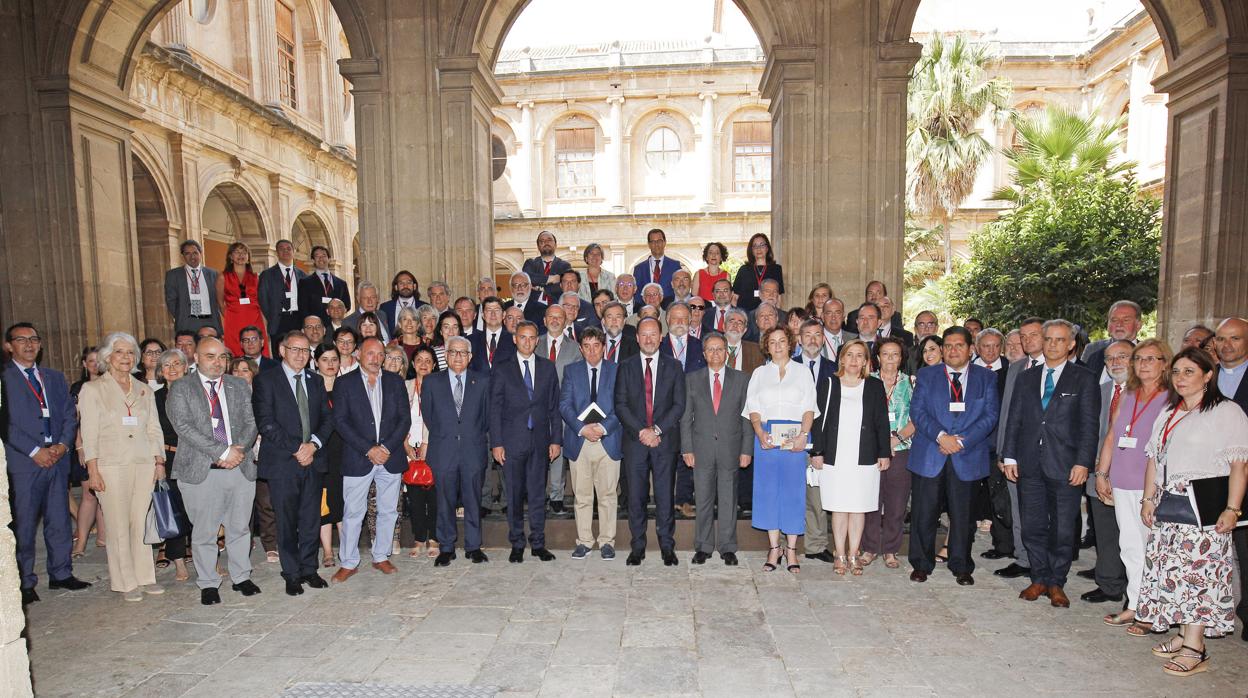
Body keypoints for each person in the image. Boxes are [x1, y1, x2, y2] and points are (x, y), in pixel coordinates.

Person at [1136, 347, 1248, 675]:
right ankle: (1184, 632)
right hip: (1169, 504)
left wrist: (1232, 508)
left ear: (1208, 375)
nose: (1180, 378)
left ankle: (1195, 647)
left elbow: (1239, 466)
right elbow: (1154, 459)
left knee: (1197, 578)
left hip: (1204, 508)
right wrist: (1147, 499)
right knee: (1172, 574)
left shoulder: (1226, 412)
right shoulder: (1169, 411)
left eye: (1189, 371)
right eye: (1177, 372)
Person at [1002, 319, 1101, 608]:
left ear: (1071, 344)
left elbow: (1088, 425)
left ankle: (1057, 581)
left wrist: (1083, 462)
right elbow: (1015, 420)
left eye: (1059, 340)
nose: (1052, 344)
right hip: (1029, 463)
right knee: (1032, 526)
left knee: (1062, 528)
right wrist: (1009, 456)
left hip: (1066, 465)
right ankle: (1039, 577)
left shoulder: (1083, 378)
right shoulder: (1026, 377)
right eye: (1048, 339)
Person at [166, 337, 260, 606]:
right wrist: (221, 452)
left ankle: (241, 576)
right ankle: (208, 582)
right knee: (205, 531)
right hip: (200, 470)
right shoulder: (182, 387)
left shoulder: (238, 385)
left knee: (240, 527)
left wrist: (237, 450)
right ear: (196, 357)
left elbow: (251, 421)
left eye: (222, 357)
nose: (217, 362)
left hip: (239, 466)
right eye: (210, 356)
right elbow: (183, 427)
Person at [3, 323, 90, 605]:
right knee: (25, 523)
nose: (29, 344)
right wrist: (34, 451)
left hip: (57, 458)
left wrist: (63, 445)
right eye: (21, 340)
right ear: (9, 346)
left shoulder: (53, 377)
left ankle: (61, 573)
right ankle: (24, 580)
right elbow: (5, 424)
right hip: (24, 463)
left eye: (34, 339)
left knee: (59, 519)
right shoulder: (3, 378)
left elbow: (68, 414)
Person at [907, 327, 999, 585]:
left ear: (971, 349)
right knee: (924, 513)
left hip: (967, 455)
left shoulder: (986, 378)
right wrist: (941, 437)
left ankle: (961, 565)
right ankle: (921, 564)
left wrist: (961, 441)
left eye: (959, 345)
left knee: (963, 515)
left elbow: (990, 415)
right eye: (948, 345)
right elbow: (918, 411)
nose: (953, 350)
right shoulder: (927, 375)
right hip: (930, 453)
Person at [78, 332, 165, 601]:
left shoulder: (144, 389)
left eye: (130, 353)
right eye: (119, 352)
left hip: (142, 463)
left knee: (138, 522)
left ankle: (144, 576)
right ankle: (125, 581)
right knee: (117, 525)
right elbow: (89, 433)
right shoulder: (92, 390)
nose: (125, 357)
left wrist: (158, 461)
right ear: (107, 356)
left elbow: (153, 429)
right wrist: (93, 471)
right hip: (110, 465)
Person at [1094, 339, 1170, 630]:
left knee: (1154, 547)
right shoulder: (1129, 394)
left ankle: (1155, 611)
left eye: (1152, 358)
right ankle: (1136, 604)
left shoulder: (1172, 398)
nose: (1144, 364)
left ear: (1165, 363)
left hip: (1152, 484)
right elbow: (1112, 436)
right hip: (1122, 480)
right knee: (1129, 546)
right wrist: (1102, 474)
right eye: (1139, 359)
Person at [251, 331, 333, 596]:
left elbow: (327, 419)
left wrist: (314, 445)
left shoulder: (316, 380)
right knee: (286, 521)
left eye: (305, 350)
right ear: (282, 350)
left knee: (310, 518)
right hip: (283, 462)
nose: (300, 355)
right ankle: (291, 573)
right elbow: (266, 422)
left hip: (313, 459)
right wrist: (297, 448)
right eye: (295, 349)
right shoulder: (266, 380)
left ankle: (309, 568)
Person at [330, 337, 411, 582]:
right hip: (358, 457)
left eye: (380, 354)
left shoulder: (396, 382)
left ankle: (381, 556)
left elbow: (404, 420)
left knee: (388, 510)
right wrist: (369, 449)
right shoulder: (344, 383)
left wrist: (385, 447)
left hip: (391, 455)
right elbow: (340, 422)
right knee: (353, 511)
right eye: (370, 354)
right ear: (358, 355)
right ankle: (348, 561)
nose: (376, 359)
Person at [809, 339, 890, 576]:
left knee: (858, 507)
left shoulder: (874, 386)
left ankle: (854, 554)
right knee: (839, 507)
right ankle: (840, 553)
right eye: (850, 355)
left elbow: (881, 423)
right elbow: (818, 422)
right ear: (841, 358)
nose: (854, 361)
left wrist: (884, 452)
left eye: (859, 356)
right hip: (835, 456)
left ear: (866, 361)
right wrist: (817, 452)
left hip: (864, 457)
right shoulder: (829, 384)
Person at [616, 317, 686, 566]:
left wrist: (656, 430)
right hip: (635, 442)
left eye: (653, 334)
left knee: (665, 495)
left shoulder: (674, 366)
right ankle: (637, 547)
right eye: (643, 334)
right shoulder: (625, 367)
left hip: (664, 441)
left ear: (661, 337)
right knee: (636, 496)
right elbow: (620, 405)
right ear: (637, 338)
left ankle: (667, 546)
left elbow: (679, 405)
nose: (648, 339)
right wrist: (642, 432)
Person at [489, 321, 562, 562]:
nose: (527, 342)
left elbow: (554, 407)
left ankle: (538, 543)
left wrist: (556, 440)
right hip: (511, 443)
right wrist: (497, 443)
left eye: (532, 338)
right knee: (514, 494)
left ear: (537, 340)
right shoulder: (501, 369)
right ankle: (517, 543)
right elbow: (495, 409)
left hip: (540, 441)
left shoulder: (548, 368)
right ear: (514, 339)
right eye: (523, 337)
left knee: (538, 494)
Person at [748, 326, 817, 573]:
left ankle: (791, 550)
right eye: (773, 342)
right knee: (767, 493)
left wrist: (803, 435)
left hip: (794, 439)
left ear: (791, 344)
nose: (777, 346)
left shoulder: (802, 373)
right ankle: (774, 548)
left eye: (782, 341)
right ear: (767, 346)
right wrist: (759, 432)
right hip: (766, 436)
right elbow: (753, 407)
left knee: (792, 493)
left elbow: (809, 407)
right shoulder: (759, 373)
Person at [680, 332, 752, 565]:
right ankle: (703, 545)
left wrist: (746, 450)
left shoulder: (742, 379)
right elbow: (685, 418)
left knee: (729, 499)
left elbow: (747, 418)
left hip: (731, 449)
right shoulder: (692, 379)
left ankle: (727, 546)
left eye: (719, 349)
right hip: (701, 449)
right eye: (710, 349)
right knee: (702, 499)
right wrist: (687, 448)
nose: (715, 353)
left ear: (727, 352)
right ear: (703, 354)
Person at [421, 336, 492, 566]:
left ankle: (473, 546)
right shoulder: (432, 382)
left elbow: (486, 417)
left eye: (463, 353)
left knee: (473, 500)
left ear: (470, 357)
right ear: (446, 356)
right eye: (453, 352)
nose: (458, 356)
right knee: (445, 501)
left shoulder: (482, 381)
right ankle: (446, 547)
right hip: (444, 450)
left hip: (473, 449)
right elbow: (430, 417)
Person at [559, 328, 621, 559]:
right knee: (582, 495)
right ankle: (584, 541)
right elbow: (564, 404)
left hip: (608, 439)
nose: (592, 350)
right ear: (581, 348)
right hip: (580, 440)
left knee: (607, 495)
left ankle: (607, 542)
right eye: (587, 346)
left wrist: (603, 428)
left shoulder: (617, 370)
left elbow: (622, 404)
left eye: (596, 345)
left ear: (604, 346)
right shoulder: (571, 371)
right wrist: (582, 428)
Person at [1081, 340, 1134, 604]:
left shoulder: (1149, 394)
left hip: (1133, 478)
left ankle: (1136, 592)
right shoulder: (1099, 391)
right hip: (1097, 472)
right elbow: (1088, 431)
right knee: (1105, 532)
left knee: (1134, 534)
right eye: (1110, 358)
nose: (1115, 363)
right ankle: (1109, 583)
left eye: (1122, 356)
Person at [994, 317, 1046, 580]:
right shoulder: (1015, 369)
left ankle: (1044, 563)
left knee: (1045, 513)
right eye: (1022, 337)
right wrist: (1003, 452)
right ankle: (1023, 558)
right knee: (1017, 509)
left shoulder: (1060, 369)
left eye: (1032, 335)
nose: (1027, 341)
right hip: (1015, 454)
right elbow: (1006, 414)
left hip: (1047, 456)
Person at [1211, 317, 1248, 640]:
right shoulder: (1206, 376)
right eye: (1221, 339)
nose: (1226, 345)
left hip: (1244, 472)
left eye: (1234, 338)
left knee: (1246, 550)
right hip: (1207, 475)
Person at [863, 336, 914, 569]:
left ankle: (891, 549)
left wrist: (897, 438)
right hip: (872, 450)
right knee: (871, 500)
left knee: (896, 502)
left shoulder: (911, 383)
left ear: (901, 358)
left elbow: (918, 418)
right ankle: (870, 547)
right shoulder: (867, 381)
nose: (890, 358)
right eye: (885, 354)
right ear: (878, 357)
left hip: (902, 448)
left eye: (895, 354)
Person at [794, 320, 838, 563]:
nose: (812, 339)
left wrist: (822, 446)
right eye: (807, 335)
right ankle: (783, 544)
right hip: (792, 440)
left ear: (824, 339)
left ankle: (816, 545)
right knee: (791, 494)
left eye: (817, 335)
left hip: (823, 442)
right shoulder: (788, 367)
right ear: (799, 339)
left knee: (818, 498)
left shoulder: (834, 370)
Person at [974, 328, 1014, 560]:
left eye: (995, 346)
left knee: (999, 494)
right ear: (977, 348)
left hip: (995, 443)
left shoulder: (1011, 371)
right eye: (985, 346)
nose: (990, 350)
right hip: (969, 443)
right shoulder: (967, 370)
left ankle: (1003, 545)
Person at [153, 349, 192, 581]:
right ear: (160, 371)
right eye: (167, 365)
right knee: (174, 510)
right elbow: (152, 432)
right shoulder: (154, 397)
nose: (173, 369)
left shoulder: (197, 392)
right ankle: (179, 562)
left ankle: (206, 560)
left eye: (177, 364)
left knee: (199, 512)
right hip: (169, 459)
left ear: (186, 367)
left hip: (196, 458)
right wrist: (158, 461)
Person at [537, 304, 579, 514]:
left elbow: (577, 380)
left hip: (562, 408)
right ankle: (538, 494)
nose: (554, 321)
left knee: (558, 452)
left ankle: (556, 496)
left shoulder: (574, 348)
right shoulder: (534, 343)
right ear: (544, 321)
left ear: (565, 322)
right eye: (550, 317)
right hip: (536, 408)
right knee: (537, 451)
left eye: (559, 318)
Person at [69, 345, 106, 558]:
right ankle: (81, 542)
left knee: (106, 493)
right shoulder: (78, 388)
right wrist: (80, 447)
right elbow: (74, 421)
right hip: (87, 445)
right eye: (90, 360)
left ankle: (103, 537)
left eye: (98, 360)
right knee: (89, 495)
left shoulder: (109, 385)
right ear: (84, 364)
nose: (94, 364)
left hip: (108, 446)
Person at [402, 346, 439, 559]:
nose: (423, 364)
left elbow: (439, 418)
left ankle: (434, 537)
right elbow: (397, 416)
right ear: (413, 364)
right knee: (415, 499)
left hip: (433, 446)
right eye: (419, 360)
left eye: (428, 360)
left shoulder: (439, 386)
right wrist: (405, 443)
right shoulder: (404, 386)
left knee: (433, 497)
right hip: (409, 447)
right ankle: (418, 538)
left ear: (434, 364)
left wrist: (426, 443)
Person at [314, 344, 345, 567]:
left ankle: (346, 547)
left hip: (345, 452)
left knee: (344, 503)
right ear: (316, 362)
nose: (330, 364)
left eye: (334, 359)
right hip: (321, 453)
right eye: (325, 359)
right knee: (324, 504)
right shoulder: (311, 387)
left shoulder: (347, 386)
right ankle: (327, 551)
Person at [258, 239, 307, 348]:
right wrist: (272, 315)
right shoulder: (267, 275)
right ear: (276, 253)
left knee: (298, 349)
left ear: (293, 252)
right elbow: (263, 300)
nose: (286, 251)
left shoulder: (303, 275)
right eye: (282, 249)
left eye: (288, 249)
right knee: (279, 352)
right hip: (278, 320)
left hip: (297, 319)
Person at [164, 240, 221, 334]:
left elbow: (219, 298)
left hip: (210, 322)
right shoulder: (173, 275)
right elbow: (171, 300)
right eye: (187, 253)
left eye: (195, 252)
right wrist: (181, 316)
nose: (192, 256)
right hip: (187, 322)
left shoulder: (213, 274)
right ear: (183, 256)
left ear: (200, 253)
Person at [1082, 300, 1143, 382]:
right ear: (1108, 326)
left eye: (1126, 320)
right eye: (1114, 320)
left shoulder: (1149, 352)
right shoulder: (1093, 349)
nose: (1119, 324)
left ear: (1138, 325)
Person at [297, 245, 351, 324]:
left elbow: (347, 305)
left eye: (324, 255)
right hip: (316, 327)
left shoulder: (341, 283)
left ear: (329, 259)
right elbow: (303, 308)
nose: (321, 258)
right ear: (313, 260)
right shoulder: (305, 283)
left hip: (336, 325)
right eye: (317, 256)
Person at [732, 233, 784, 312]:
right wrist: (740, 315)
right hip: (746, 314)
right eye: (755, 246)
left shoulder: (776, 269)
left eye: (762, 245)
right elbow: (734, 297)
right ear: (751, 250)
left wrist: (776, 315)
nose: (758, 249)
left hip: (767, 315)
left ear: (767, 248)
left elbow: (779, 298)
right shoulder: (744, 270)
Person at [522, 230, 571, 305]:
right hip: (533, 309)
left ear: (555, 244)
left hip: (557, 307)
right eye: (542, 241)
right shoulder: (530, 263)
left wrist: (540, 288)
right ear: (538, 246)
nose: (546, 243)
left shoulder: (565, 266)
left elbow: (564, 286)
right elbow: (526, 278)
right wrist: (551, 278)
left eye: (549, 240)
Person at [632, 228, 682, 299]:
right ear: (649, 245)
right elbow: (636, 293)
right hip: (646, 307)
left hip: (668, 308)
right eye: (653, 241)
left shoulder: (675, 266)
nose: (656, 244)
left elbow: (679, 289)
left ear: (664, 243)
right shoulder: (639, 269)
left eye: (659, 241)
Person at [470, 297, 515, 373]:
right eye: (489, 310)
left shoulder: (513, 340)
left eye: (497, 310)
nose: (493, 314)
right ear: (483, 315)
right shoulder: (471, 340)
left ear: (504, 314)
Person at [379, 270, 426, 338]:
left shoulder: (424, 307)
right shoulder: (385, 308)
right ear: (396, 287)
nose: (405, 286)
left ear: (414, 286)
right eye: (401, 283)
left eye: (409, 283)